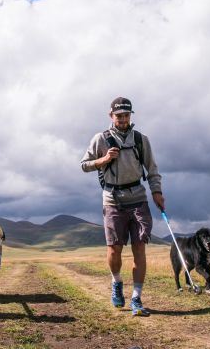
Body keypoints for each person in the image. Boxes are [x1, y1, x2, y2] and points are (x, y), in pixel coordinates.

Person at [81, 97, 165, 317]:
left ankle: (137, 298)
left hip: (138, 198)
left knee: (139, 248)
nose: (123, 119)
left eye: (126, 115)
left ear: (130, 116)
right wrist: (103, 160)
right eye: (119, 116)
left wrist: (157, 192)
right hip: (112, 199)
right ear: (111, 116)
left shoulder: (141, 139)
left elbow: (152, 169)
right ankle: (116, 282)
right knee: (114, 249)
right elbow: (84, 165)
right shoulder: (101, 139)